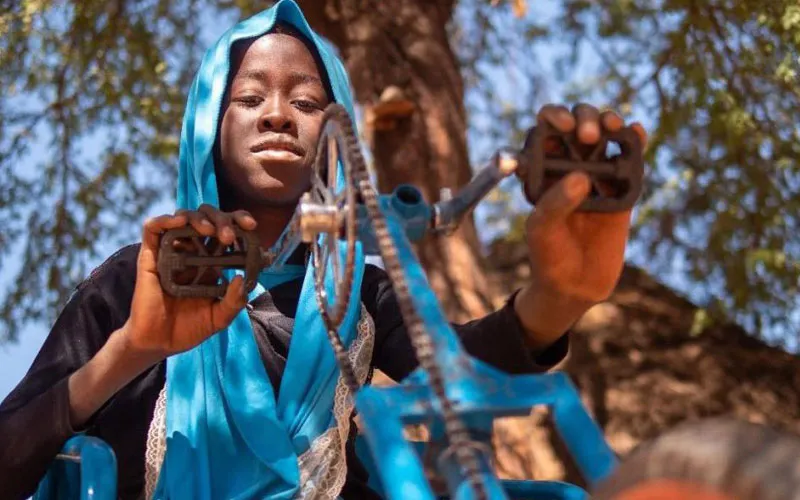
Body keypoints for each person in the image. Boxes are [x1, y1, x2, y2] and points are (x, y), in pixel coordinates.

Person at [0, 1, 648, 499]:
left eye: (307, 102)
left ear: (334, 137)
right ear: (207, 128)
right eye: (249, 98)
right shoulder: (134, 284)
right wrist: (128, 353)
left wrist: (562, 295)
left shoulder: (356, 294)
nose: (278, 115)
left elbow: (455, 372)